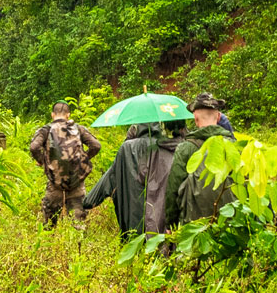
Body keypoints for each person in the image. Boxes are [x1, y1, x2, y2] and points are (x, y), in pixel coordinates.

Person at [84, 123, 173, 239]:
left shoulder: (126, 149)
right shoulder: (168, 147)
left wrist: (87, 201)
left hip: (131, 233)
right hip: (161, 234)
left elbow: (108, 179)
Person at [166, 93, 238, 226]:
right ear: (218, 117)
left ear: (195, 118)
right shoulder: (234, 146)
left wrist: (170, 223)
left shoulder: (185, 148)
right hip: (231, 222)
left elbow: (173, 188)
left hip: (194, 225)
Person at [27, 101, 103, 227]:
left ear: (52, 114)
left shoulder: (46, 130)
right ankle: (78, 245)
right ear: (68, 115)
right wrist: (83, 159)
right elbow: (96, 145)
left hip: (54, 184)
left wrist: (43, 161)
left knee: (49, 225)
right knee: (79, 225)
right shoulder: (79, 129)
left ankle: (49, 244)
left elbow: (34, 147)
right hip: (77, 184)